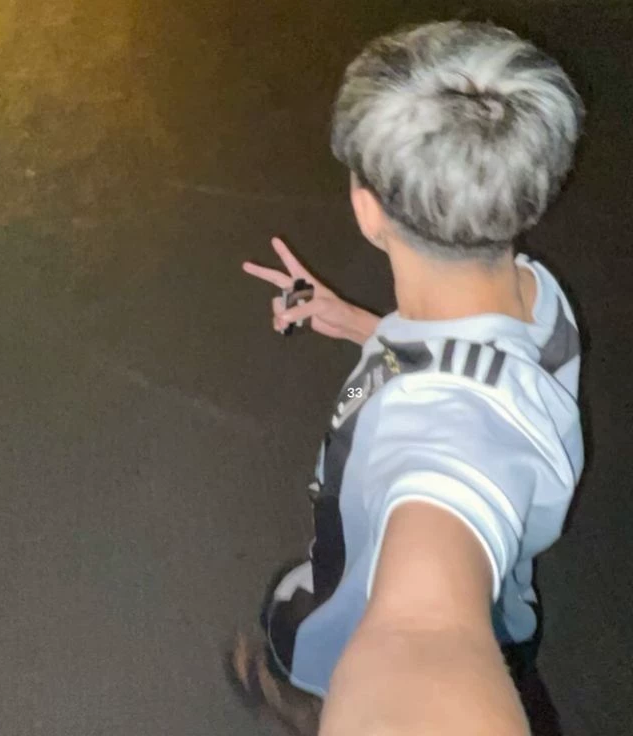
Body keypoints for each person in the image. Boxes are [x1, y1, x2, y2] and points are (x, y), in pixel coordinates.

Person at [229, 20, 585, 736]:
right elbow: (472, 364)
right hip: (507, 618)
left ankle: (286, 692)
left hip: (343, 621)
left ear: (366, 209)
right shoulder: (534, 295)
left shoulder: (444, 443)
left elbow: (422, 633)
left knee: (293, 633)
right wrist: (365, 327)